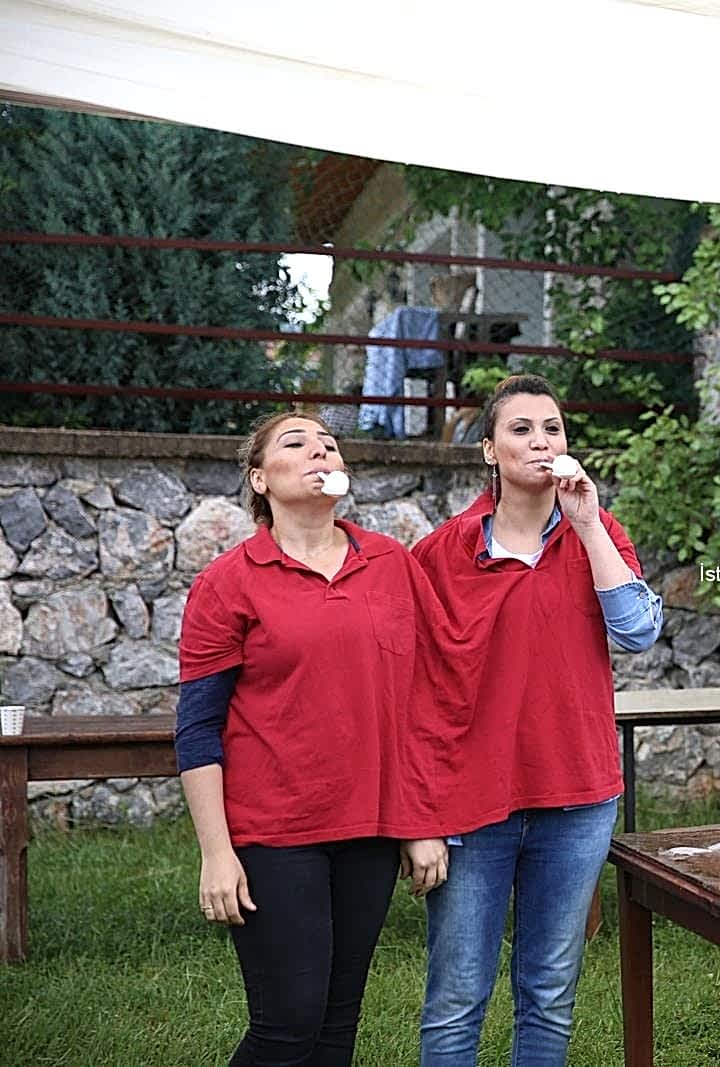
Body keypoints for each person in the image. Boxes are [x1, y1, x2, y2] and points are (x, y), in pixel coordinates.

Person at [175, 411, 464, 1066]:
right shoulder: (228, 582)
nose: (319, 451)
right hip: (273, 832)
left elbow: (422, 701)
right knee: (287, 1025)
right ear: (259, 478)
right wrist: (216, 853)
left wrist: (423, 821)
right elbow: (198, 727)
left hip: (370, 828)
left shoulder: (390, 563)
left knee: (336, 1023)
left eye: (329, 444)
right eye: (296, 442)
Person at [413, 374, 663, 1066]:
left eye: (552, 428)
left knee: (550, 993)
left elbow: (638, 631)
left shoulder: (597, 532)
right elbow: (411, 691)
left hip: (578, 798)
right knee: (457, 998)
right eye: (520, 429)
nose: (540, 441)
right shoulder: (441, 553)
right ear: (489, 449)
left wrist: (587, 522)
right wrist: (418, 817)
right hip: (470, 802)